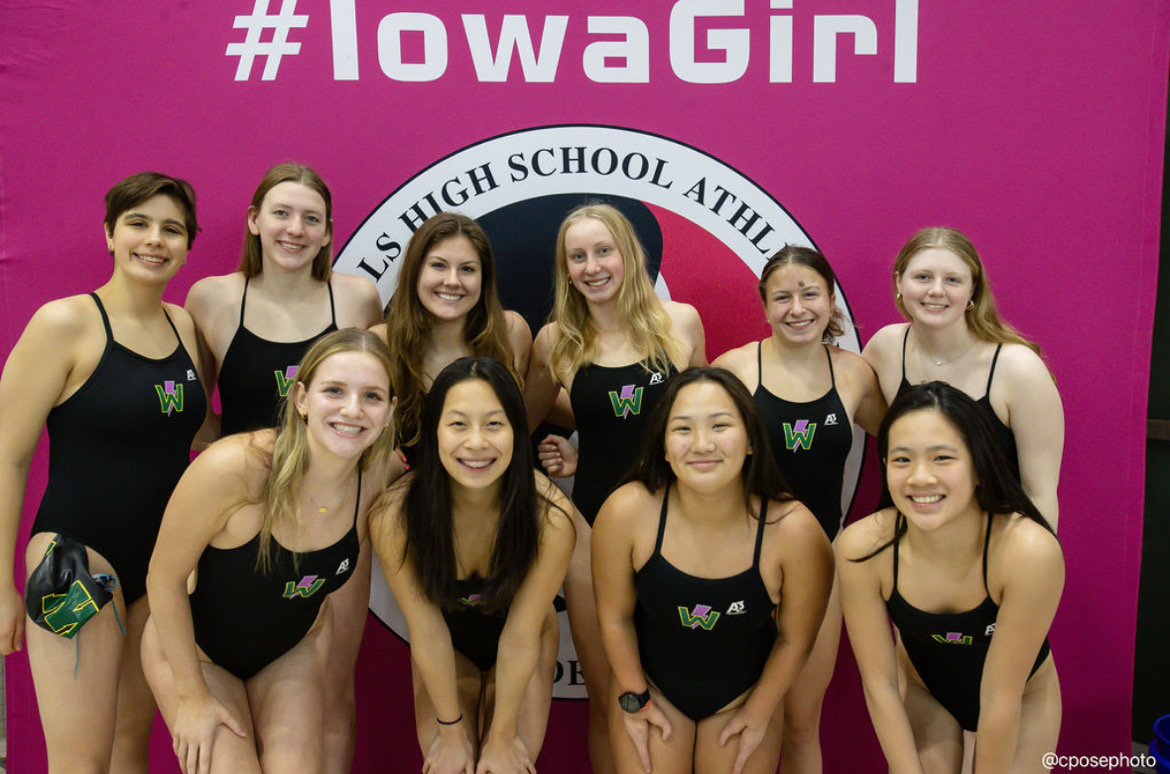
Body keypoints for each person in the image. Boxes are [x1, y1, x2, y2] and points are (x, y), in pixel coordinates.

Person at [0, 172, 205, 772]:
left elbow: (188, 433)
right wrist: (0, 587)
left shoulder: (183, 327)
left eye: (171, 229)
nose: (154, 240)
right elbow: (8, 457)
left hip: (161, 569)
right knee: (80, 761)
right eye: (138, 224)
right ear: (110, 235)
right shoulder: (63, 323)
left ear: (188, 245)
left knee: (128, 749)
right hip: (76, 559)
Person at [184, 162, 383, 772]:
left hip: (335, 514)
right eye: (281, 213)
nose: (294, 229)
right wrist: (242, 470)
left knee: (331, 691)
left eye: (311, 219)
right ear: (254, 221)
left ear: (327, 234)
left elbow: (371, 402)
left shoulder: (355, 297)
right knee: (240, 671)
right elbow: (197, 411)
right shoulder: (213, 298)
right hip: (242, 523)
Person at [141, 328, 400, 774]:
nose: (352, 410)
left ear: (390, 410)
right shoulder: (235, 468)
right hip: (195, 653)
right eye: (334, 391)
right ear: (301, 397)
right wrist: (191, 697)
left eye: (372, 396)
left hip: (291, 650)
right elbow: (162, 580)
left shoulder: (379, 474)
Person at [523, 202, 706, 774]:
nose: (592, 266)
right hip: (590, 536)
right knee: (614, 701)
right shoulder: (556, 341)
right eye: (577, 256)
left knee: (680, 693)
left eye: (603, 251)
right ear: (565, 269)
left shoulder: (681, 323)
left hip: (682, 532)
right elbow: (519, 423)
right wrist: (579, 446)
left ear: (629, 254)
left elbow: (708, 417)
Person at [592, 367, 833, 774]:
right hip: (652, 689)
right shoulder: (627, 512)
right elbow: (614, 618)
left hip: (742, 697)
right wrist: (634, 699)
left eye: (720, 426)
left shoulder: (794, 531)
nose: (702, 444)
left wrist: (759, 712)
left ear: (752, 440)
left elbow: (795, 638)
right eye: (683, 429)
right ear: (664, 447)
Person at [713, 244, 885, 774]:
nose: (797, 308)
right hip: (737, 564)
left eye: (810, 294)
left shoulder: (855, 374)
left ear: (831, 302)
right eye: (782, 296)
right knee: (736, 720)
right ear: (764, 305)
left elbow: (905, 442)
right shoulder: (735, 370)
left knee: (802, 723)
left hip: (819, 564)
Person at [837, 381, 1062, 774]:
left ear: (978, 466)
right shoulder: (862, 549)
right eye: (902, 460)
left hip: (1021, 699)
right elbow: (881, 686)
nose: (920, 478)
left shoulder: (1027, 551)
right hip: (926, 692)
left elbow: (1000, 699)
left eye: (942, 458)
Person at [370, 357, 574, 774]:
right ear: (434, 432)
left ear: (517, 429)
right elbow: (426, 630)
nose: (477, 443)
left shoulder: (550, 517)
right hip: (446, 639)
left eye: (494, 424)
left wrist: (501, 739)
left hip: (523, 640)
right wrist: (450, 731)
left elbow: (520, 637)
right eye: (458, 424)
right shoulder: (395, 516)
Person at [861, 227, 1063, 528]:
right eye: (923, 277)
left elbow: (1040, 493)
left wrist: (1033, 567)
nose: (936, 290)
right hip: (909, 546)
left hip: (992, 549)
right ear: (899, 282)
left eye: (952, 280)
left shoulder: (1019, 369)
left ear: (973, 291)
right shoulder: (885, 348)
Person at [370, 211, 531, 465]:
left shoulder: (511, 333)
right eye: (439, 265)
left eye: (467, 269)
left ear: (484, 278)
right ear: (415, 271)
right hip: (407, 494)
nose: (452, 281)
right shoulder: (382, 344)